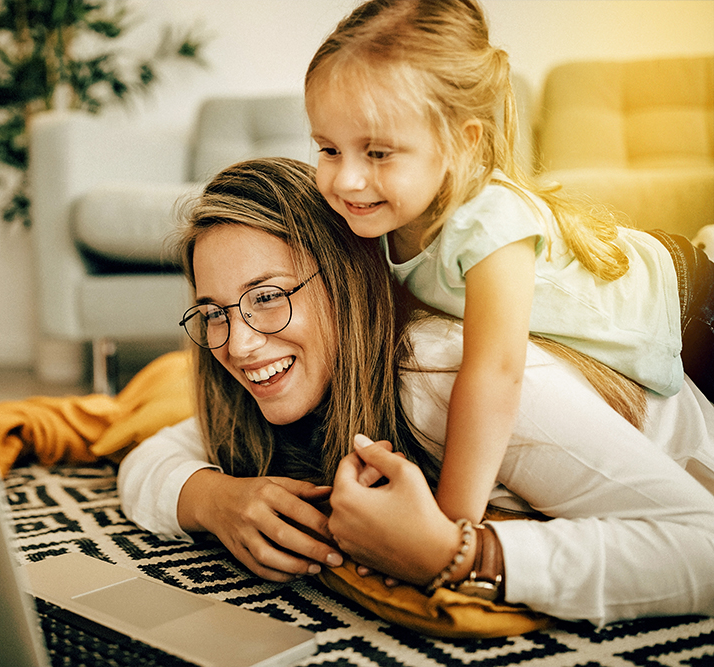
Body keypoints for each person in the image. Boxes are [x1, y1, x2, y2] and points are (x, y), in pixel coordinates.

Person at [117, 156, 714, 627]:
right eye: (212, 313)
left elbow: (703, 548)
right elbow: (153, 457)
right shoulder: (275, 382)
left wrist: (462, 554)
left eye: (268, 296)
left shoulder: (443, 375)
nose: (239, 345)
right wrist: (216, 500)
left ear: (345, 281)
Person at [303, 0, 714, 524]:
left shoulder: (488, 221)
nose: (346, 180)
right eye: (328, 149)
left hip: (689, 299)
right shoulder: (377, 212)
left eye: (378, 153)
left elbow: (495, 373)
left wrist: (452, 518)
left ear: (461, 142)